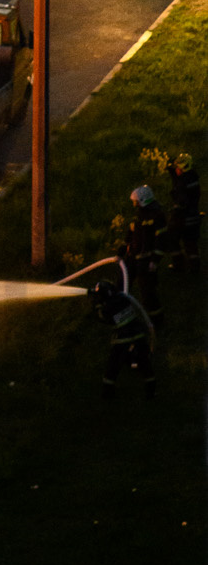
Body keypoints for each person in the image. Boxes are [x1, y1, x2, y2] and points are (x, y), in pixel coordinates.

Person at [90, 279, 155, 400]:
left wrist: (96, 303)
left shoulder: (108, 307)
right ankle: (151, 390)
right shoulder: (124, 298)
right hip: (139, 335)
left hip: (122, 339)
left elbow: (101, 317)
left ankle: (107, 394)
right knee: (145, 363)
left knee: (113, 365)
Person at [124, 182, 167, 323]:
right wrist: (124, 247)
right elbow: (132, 231)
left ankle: (156, 320)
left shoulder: (157, 216)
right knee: (123, 284)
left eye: (135, 202)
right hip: (134, 258)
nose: (134, 204)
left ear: (143, 201)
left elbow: (161, 241)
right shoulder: (139, 214)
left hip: (146, 261)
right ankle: (124, 315)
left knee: (148, 292)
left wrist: (154, 260)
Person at [167, 153, 201, 273]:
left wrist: (176, 209)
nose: (176, 169)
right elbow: (177, 178)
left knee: (173, 239)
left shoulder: (182, 183)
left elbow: (181, 200)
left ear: (182, 168)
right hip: (194, 217)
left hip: (182, 218)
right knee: (191, 243)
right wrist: (170, 167)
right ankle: (195, 267)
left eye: (177, 167)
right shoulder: (192, 177)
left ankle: (178, 265)